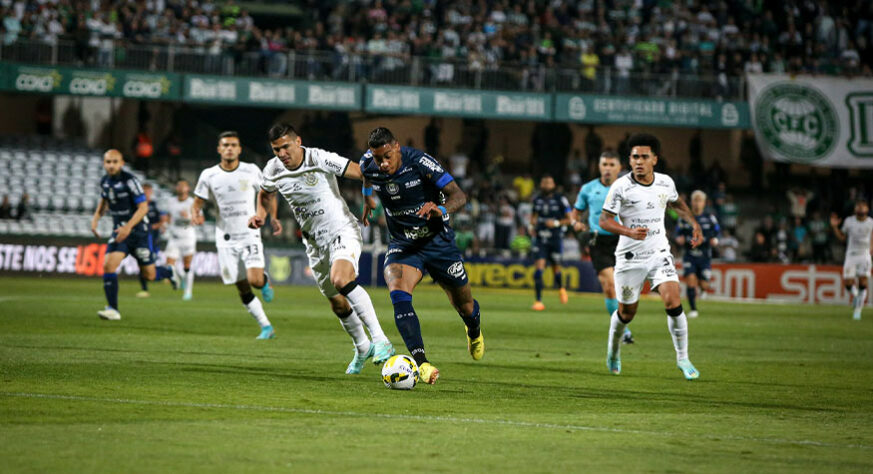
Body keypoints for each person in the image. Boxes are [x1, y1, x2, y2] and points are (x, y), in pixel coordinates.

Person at [249, 123, 395, 374]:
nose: (282, 154)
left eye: (285, 147)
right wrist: (260, 214)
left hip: (342, 231)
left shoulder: (319, 157)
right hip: (314, 243)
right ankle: (362, 347)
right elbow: (265, 193)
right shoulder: (273, 169)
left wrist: (368, 194)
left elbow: (363, 171)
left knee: (341, 279)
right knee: (337, 303)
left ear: (298, 142)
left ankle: (381, 340)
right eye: (276, 150)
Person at [360, 127, 484, 385]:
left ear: (396, 147)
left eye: (386, 157)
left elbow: (459, 196)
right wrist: (368, 198)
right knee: (398, 293)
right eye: (377, 158)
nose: (382, 164)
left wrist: (440, 209)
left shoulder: (421, 162)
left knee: (466, 307)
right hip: (403, 245)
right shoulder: (368, 163)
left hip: (438, 243)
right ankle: (422, 363)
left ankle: (473, 331)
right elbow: (366, 175)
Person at [599, 133, 703, 380]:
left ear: (655, 159)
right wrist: (629, 231)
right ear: (630, 159)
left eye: (644, 157)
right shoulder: (621, 186)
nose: (639, 161)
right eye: (635, 156)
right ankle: (613, 352)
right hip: (629, 257)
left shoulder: (666, 183)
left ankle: (683, 358)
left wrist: (694, 223)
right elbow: (605, 220)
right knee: (627, 313)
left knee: (673, 302)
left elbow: (676, 204)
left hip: (659, 253)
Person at [191, 131, 277, 339]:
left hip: (249, 233)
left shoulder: (251, 170)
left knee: (254, 281)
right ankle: (266, 327)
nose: (229, 148)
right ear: (219, 149)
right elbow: (197, 203)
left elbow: (268, 194)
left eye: (233, 145)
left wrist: (271, 217)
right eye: (225, 145)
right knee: (242, 287)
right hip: (225, 237)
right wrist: (196, 215)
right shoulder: (209, 175)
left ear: (239, 149)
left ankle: (264, 281)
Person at [90, 149, 180, 321]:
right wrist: (96, 219)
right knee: (108, 266)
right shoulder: (105, 182)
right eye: (108, 162)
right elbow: (104, 201)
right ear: (104, 163)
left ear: (122, 163)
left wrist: (128, 227)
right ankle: (112, 309)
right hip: (119, 232)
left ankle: (168, 272)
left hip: (138, 232)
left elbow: (143, 207)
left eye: (115, 162)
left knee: (150, 275)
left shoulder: (130, 181)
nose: (111, 165)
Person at [572, 151, 633, 343]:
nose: (607, 168)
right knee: (609, 286)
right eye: (604, 164)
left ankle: (622, 321)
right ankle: (623, 329)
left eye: (611, 165)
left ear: (619, 168)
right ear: (599, 166)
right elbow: (575, 213)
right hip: (598, 241)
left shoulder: (629, 188)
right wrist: (576, 224)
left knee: (624, 289)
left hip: (622, 240)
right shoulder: (588, 188)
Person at [529, 174, 572, 311]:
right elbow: (533, 217)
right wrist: (531, 226)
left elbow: (569, 219)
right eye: (544, 182)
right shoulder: (537, 200)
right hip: (541, 239)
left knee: (556, 269)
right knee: (538, 271)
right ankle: (538, 301)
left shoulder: (561, 199)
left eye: (549, 183)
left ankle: (561, 288)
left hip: (555, 238)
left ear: (553, 185)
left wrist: (555, 223)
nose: (546, 185)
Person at [675, 190, 720, 318]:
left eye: (699, 200)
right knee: (690, 280)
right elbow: (678, 233)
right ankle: (693, 309)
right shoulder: (685, 218)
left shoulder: (710, 218)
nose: (697, 203)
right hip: (689, 254)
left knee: (704, 283)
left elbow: (717, 232)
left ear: (704, 203)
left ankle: (703, 288)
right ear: (691, 202)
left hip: (705, 255)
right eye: (695, 200)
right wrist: (679, 238)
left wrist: (715, 239)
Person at [830, 199, 873, 320]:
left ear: (867, 209)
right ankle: (855, 296)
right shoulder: (849, 221)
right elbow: (842, 238)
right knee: (848, 283)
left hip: (864, 255)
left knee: (863, 282)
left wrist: (871, 249)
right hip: (851, 255)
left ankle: (858, 310)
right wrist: (835, 228)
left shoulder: (871, 223)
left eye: (863, 207)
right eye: (858, 207)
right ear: (855, 209)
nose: (860, 209)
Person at [163, 179, 197, 301]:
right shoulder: (171, 201)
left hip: (188, 238)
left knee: (187, 266)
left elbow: (200, 219)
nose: (181, 188)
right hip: (174, 238)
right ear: (176, 188)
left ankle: (188, 292)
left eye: (184, 186)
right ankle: (180, 278)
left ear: (188, 189)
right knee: (169, 265)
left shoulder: (192, 203)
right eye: (179, 185)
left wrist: (188, 217)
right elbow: (168, 216)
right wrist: (164, 225)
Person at [137, 183, 166, 298]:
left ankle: (167, 273)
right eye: (144, 191)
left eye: (148, 191)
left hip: (153, 238)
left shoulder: (155, 205)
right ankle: (144, 289)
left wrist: (156, 226)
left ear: (151, 192)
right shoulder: (137, 205)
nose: (146, 193)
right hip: (140, 237)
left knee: (150, 263)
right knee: (141, 261)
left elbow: (163, 220)